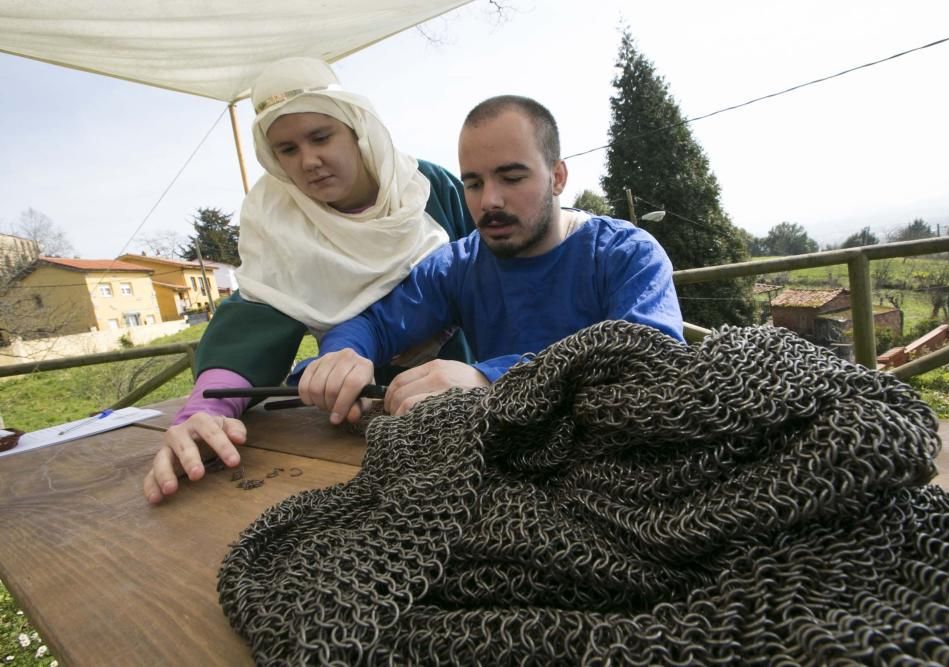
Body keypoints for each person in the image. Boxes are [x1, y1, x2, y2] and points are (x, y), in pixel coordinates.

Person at [143, 57, 475, 504]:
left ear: (356, 128)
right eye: (287, 149)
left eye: (321, 137)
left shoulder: (429, 186)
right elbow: (256, 314)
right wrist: (208, 409)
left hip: (469, 394)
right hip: (355, 424)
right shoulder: (278, 218)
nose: (309, 161)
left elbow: (494, 276)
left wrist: (491, 373)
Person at [295, 95, 685, 424]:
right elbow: (376, 325)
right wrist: (343, 357)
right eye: (473, 183)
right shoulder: (457, 266)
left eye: (512, 178)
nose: (489, 201)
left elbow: (652, 364)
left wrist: (490, 379)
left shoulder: (628, 254)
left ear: (557, 177)